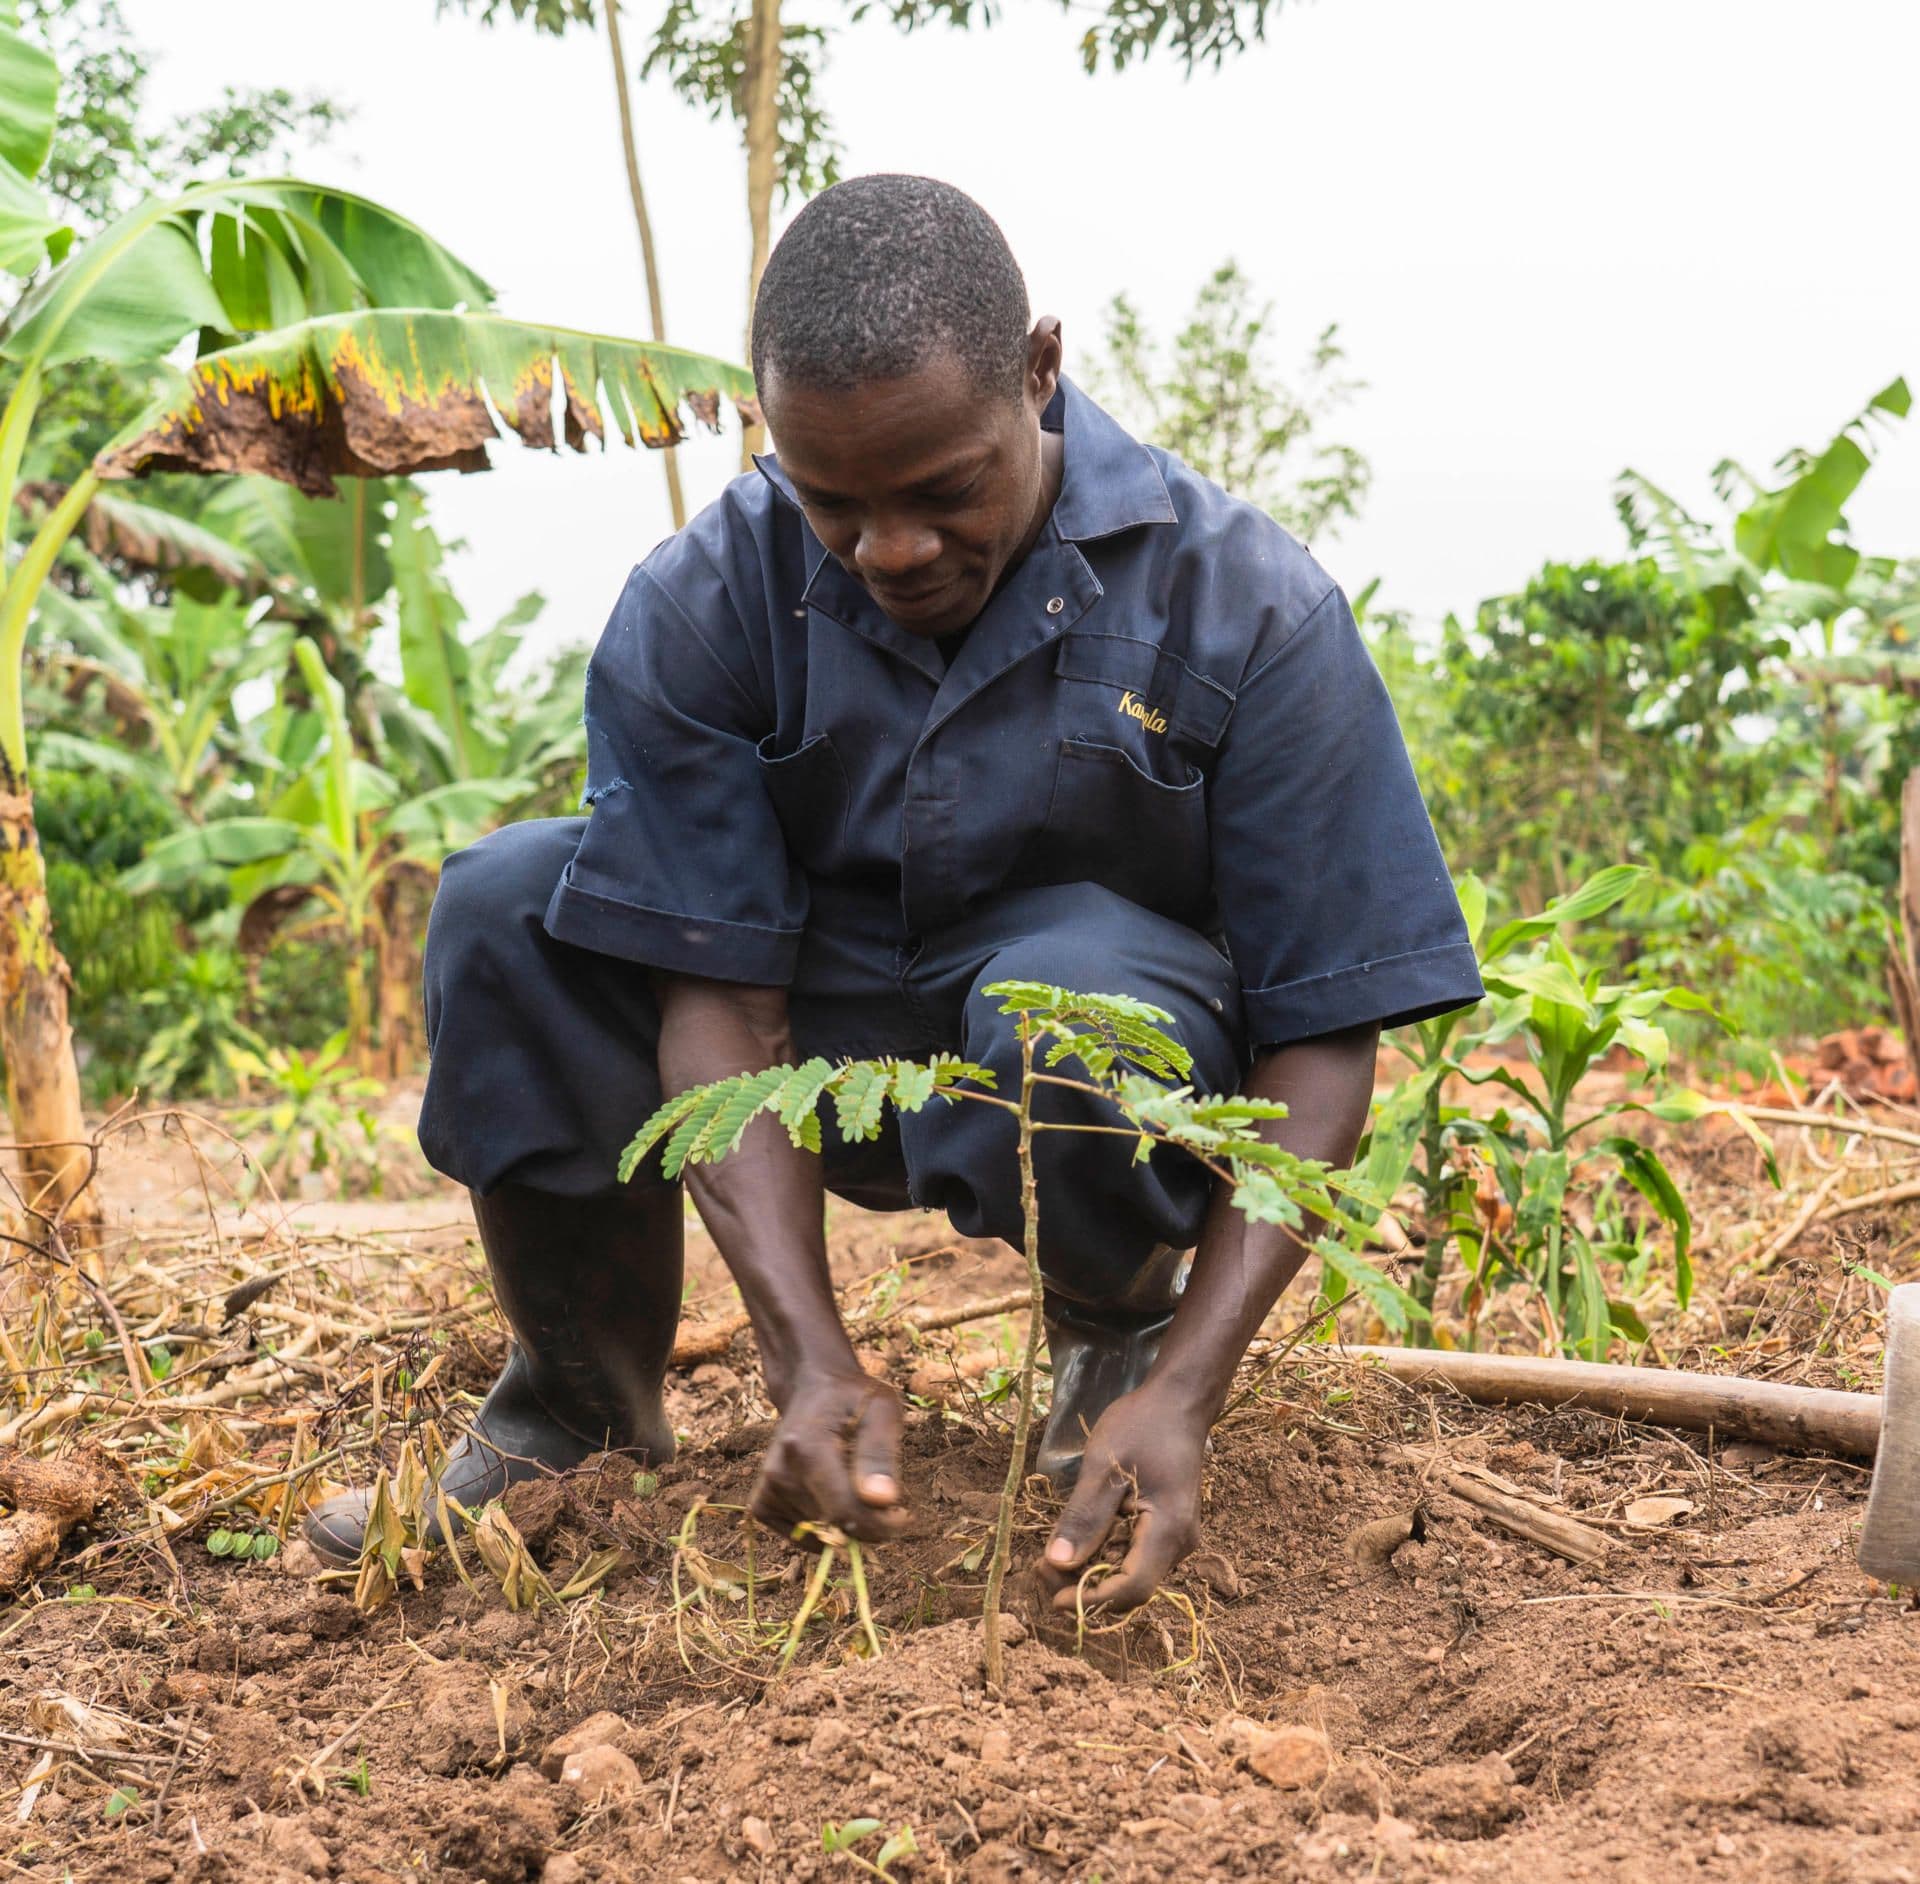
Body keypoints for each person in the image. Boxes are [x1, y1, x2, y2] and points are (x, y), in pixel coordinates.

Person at [305, 174, 1482, 1612]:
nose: (891, 551)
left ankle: (1111, 1348)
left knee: (1078, 1001)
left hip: (1095, 1056)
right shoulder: (702, 603)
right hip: (813, 1036)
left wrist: (1194, 1383)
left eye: (944, 491)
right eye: (833, 503)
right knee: (508, 902)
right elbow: (716, 989)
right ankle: (575, 1408)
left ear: (1039, 374)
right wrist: (807, 1357)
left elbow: (1326, 1037)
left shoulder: (1246, 604)